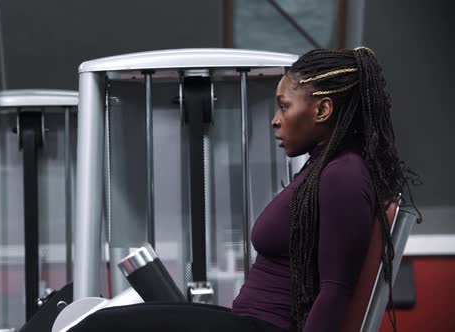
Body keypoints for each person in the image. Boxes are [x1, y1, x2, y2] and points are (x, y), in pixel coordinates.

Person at [69, 47, 418, 332]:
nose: (275, 120)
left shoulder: (344, 175)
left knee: (94, 326)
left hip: (264, 327)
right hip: (246, 322)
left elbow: (335, 291)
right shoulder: (323, 167)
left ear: (322, 109)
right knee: (89, 319)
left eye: (284, 106)